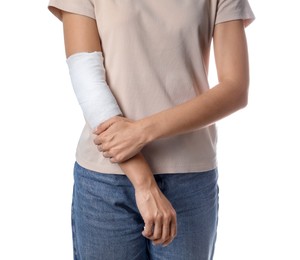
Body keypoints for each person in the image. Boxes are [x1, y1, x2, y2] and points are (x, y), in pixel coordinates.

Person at [48, 0, 255, 259]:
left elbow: (235, 89)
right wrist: (144, 183)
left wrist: (141, 132)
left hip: (189, 178)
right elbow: (88, 84)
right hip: (106, 179)